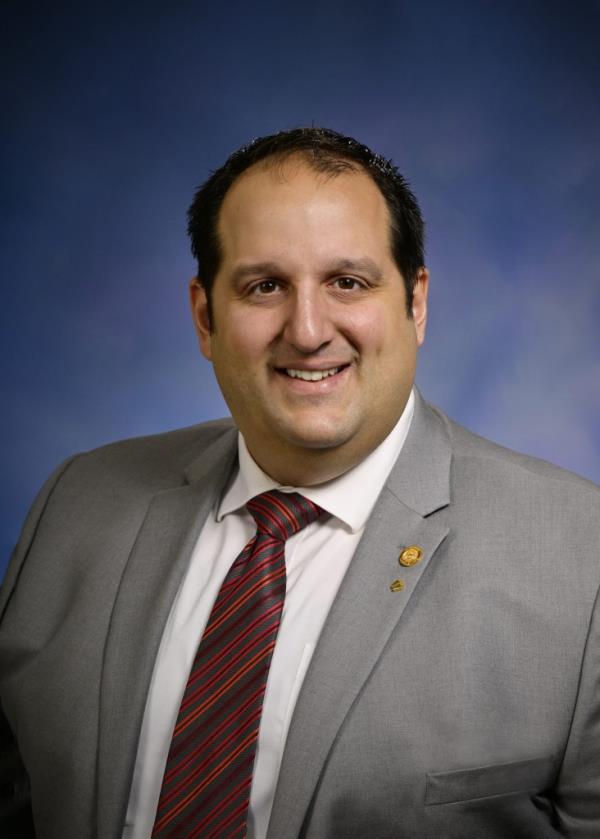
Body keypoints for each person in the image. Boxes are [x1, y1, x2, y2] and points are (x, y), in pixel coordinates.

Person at [1, 127, 599, 839]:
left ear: (415, 303)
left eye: (347, 281)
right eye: (265, 286)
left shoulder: (581, 560)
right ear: (204, 316)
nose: (308, 329)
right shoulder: (79, 499)